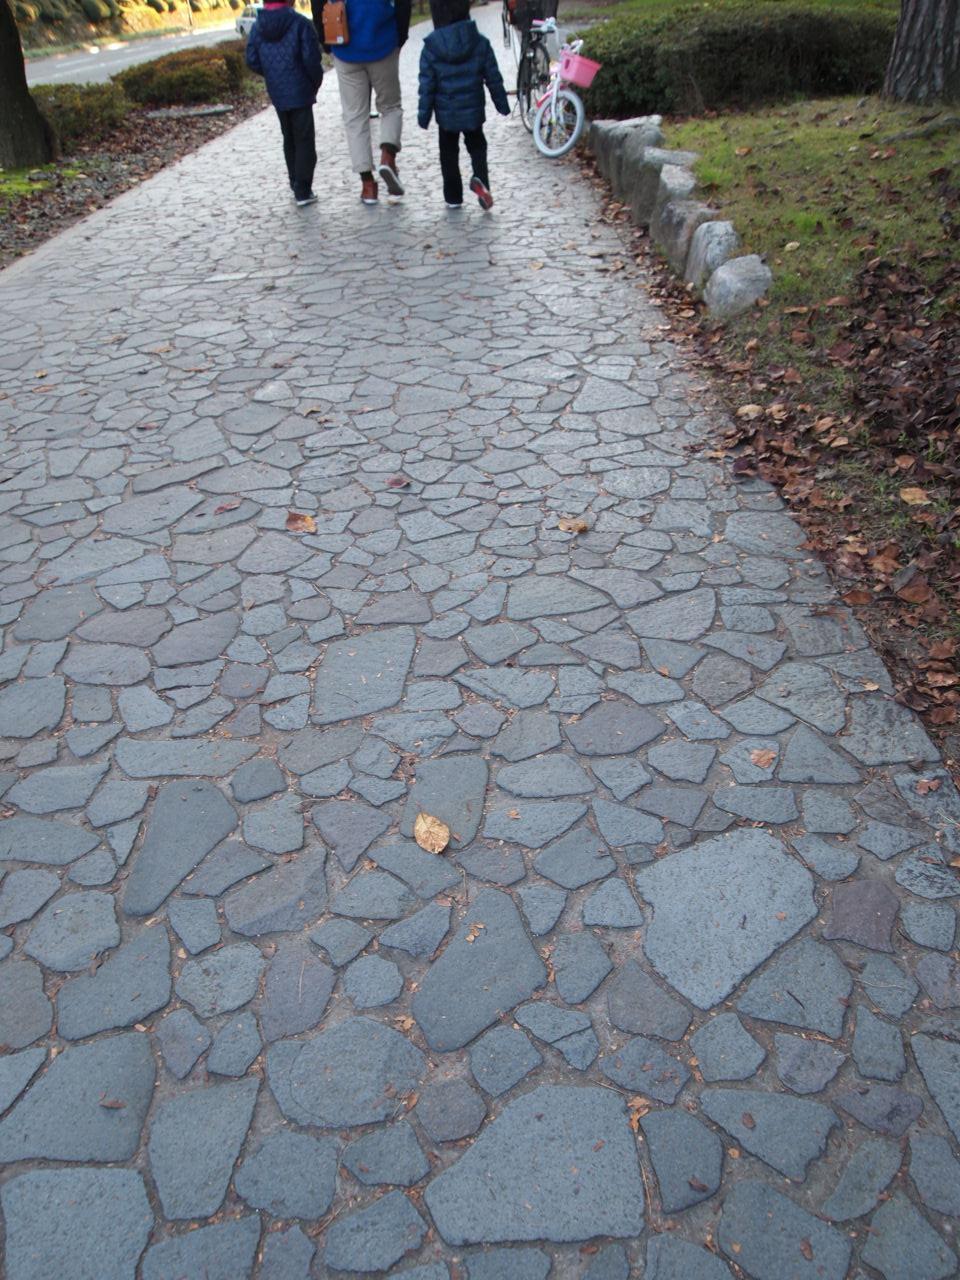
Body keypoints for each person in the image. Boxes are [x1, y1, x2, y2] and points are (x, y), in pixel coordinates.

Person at [312, 0, 411, 204]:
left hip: (344, 42)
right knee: (390, 106)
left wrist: (326, 41)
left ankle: (368, 186)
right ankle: (387, 157)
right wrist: (400, 36)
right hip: (382, 39)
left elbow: (317, 4)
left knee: (354, 117)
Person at [418, 0, 509, 210]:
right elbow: (493, 77)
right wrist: (502, 104)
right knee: (477, 147)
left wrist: (424, 116)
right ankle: (481, 181)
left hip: (446, 114)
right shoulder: (479, 41)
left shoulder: (431, 48)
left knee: (448, 153)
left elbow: (427, 85)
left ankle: (453, 197)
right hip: (473, 110)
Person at [245, 0, 324, 206]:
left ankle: (295, 182)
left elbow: (251, 59)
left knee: (288, 137)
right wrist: (314, 82)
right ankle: (303, 190)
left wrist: (272, 74)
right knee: (304, 139)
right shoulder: (300, 23)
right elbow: (311, 58)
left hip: (278, 91)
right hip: (300, 90)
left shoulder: (257, 26)